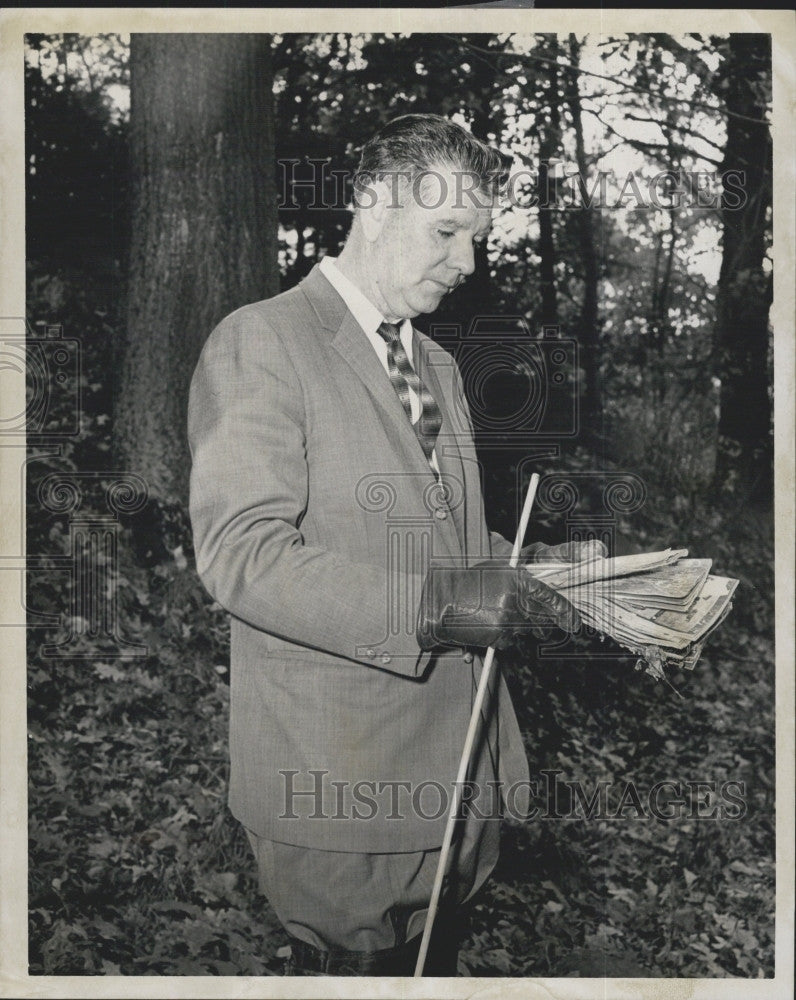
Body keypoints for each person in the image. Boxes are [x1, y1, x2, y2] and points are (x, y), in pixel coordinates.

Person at [187, 113, 601, 976]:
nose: (467, 263)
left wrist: (569, 580)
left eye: (478, 239)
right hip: (341, 785)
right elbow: (241, 553)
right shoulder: (262, 340)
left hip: (456, 774)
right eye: (448, 232)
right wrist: (441, 607)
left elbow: (449, 539)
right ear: (374, 201)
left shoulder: (436, 364)